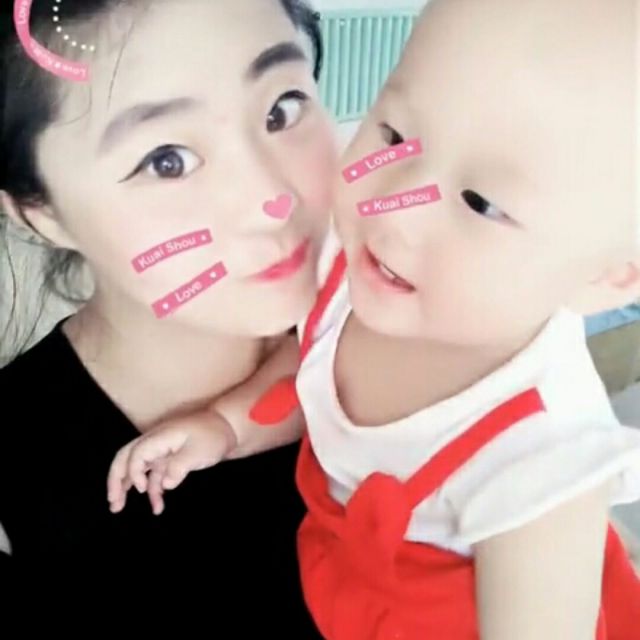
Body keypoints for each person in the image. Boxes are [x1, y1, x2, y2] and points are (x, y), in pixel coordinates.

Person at [109, 0, 640, 637]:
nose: (396, 206)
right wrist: (225, 427)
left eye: (481, 203)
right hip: (340, 574)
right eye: (392, 136)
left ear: (607, 277)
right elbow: (314, 366)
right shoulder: (358, 266)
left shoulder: (542, 465)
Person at [0, 0, 336, 627]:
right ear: (40, 213)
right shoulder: (18, 458)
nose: (272, 198)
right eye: (167, 161)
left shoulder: (401, 320)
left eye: (282, 109)